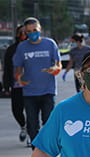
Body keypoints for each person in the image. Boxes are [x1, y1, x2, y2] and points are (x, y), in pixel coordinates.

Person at [13, 17, 62, 148]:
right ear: (25, 32)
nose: (32, 33)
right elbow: (17, 67)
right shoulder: (22, 47)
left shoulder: (50, 44)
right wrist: (19, 78)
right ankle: (37, 150)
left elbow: (58, 64)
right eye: (29, 31)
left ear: (40, 30)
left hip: (48, 91)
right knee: (32, 124)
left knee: (49, 122)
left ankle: (50, 149)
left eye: (35, 30)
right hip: (29, 92)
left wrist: (55, 69)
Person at [2, 24, 28, 143]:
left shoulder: (33, 48)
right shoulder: (12, 49)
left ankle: (31, 134)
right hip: (16, 85)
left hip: (31, 86)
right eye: (20, 32)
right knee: (16, 110)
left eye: (25, 32)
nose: (23, 35)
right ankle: (23, 126)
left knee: (31, 111)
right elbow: (7, 68)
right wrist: (6, 86)